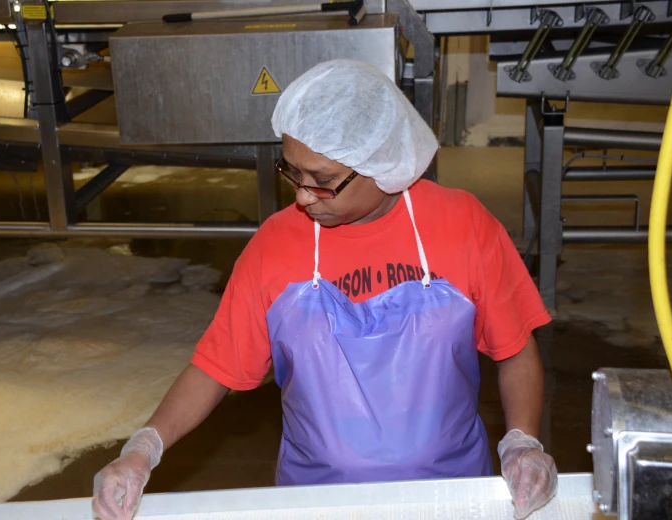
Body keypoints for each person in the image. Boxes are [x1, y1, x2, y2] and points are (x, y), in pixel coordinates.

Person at [92, 59, 558, 520]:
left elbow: (514, 348)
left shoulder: (463, 225)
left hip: (451, 496)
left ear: (382, 162)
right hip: (314, 501)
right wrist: (144, 448)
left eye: (324, 181)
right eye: (291, 171)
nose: (301, 196)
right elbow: (217, 368)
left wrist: (522, 441)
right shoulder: (275, 245)